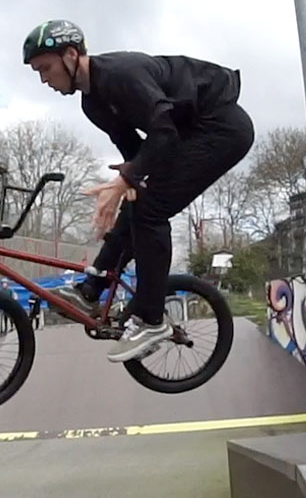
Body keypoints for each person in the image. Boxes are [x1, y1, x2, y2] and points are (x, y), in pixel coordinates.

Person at [22, 20, 254, 363]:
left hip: (220, 127)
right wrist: (131, 180)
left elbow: (163, 131)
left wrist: (127, 181)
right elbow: (132, 146)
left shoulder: (121, 74)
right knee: (137, 202)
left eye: (46, 68)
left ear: (71, 55)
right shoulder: (92, 104)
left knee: (151, 210)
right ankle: (92, 289)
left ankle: (151, 318)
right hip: (184, 135)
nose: (44, 79)